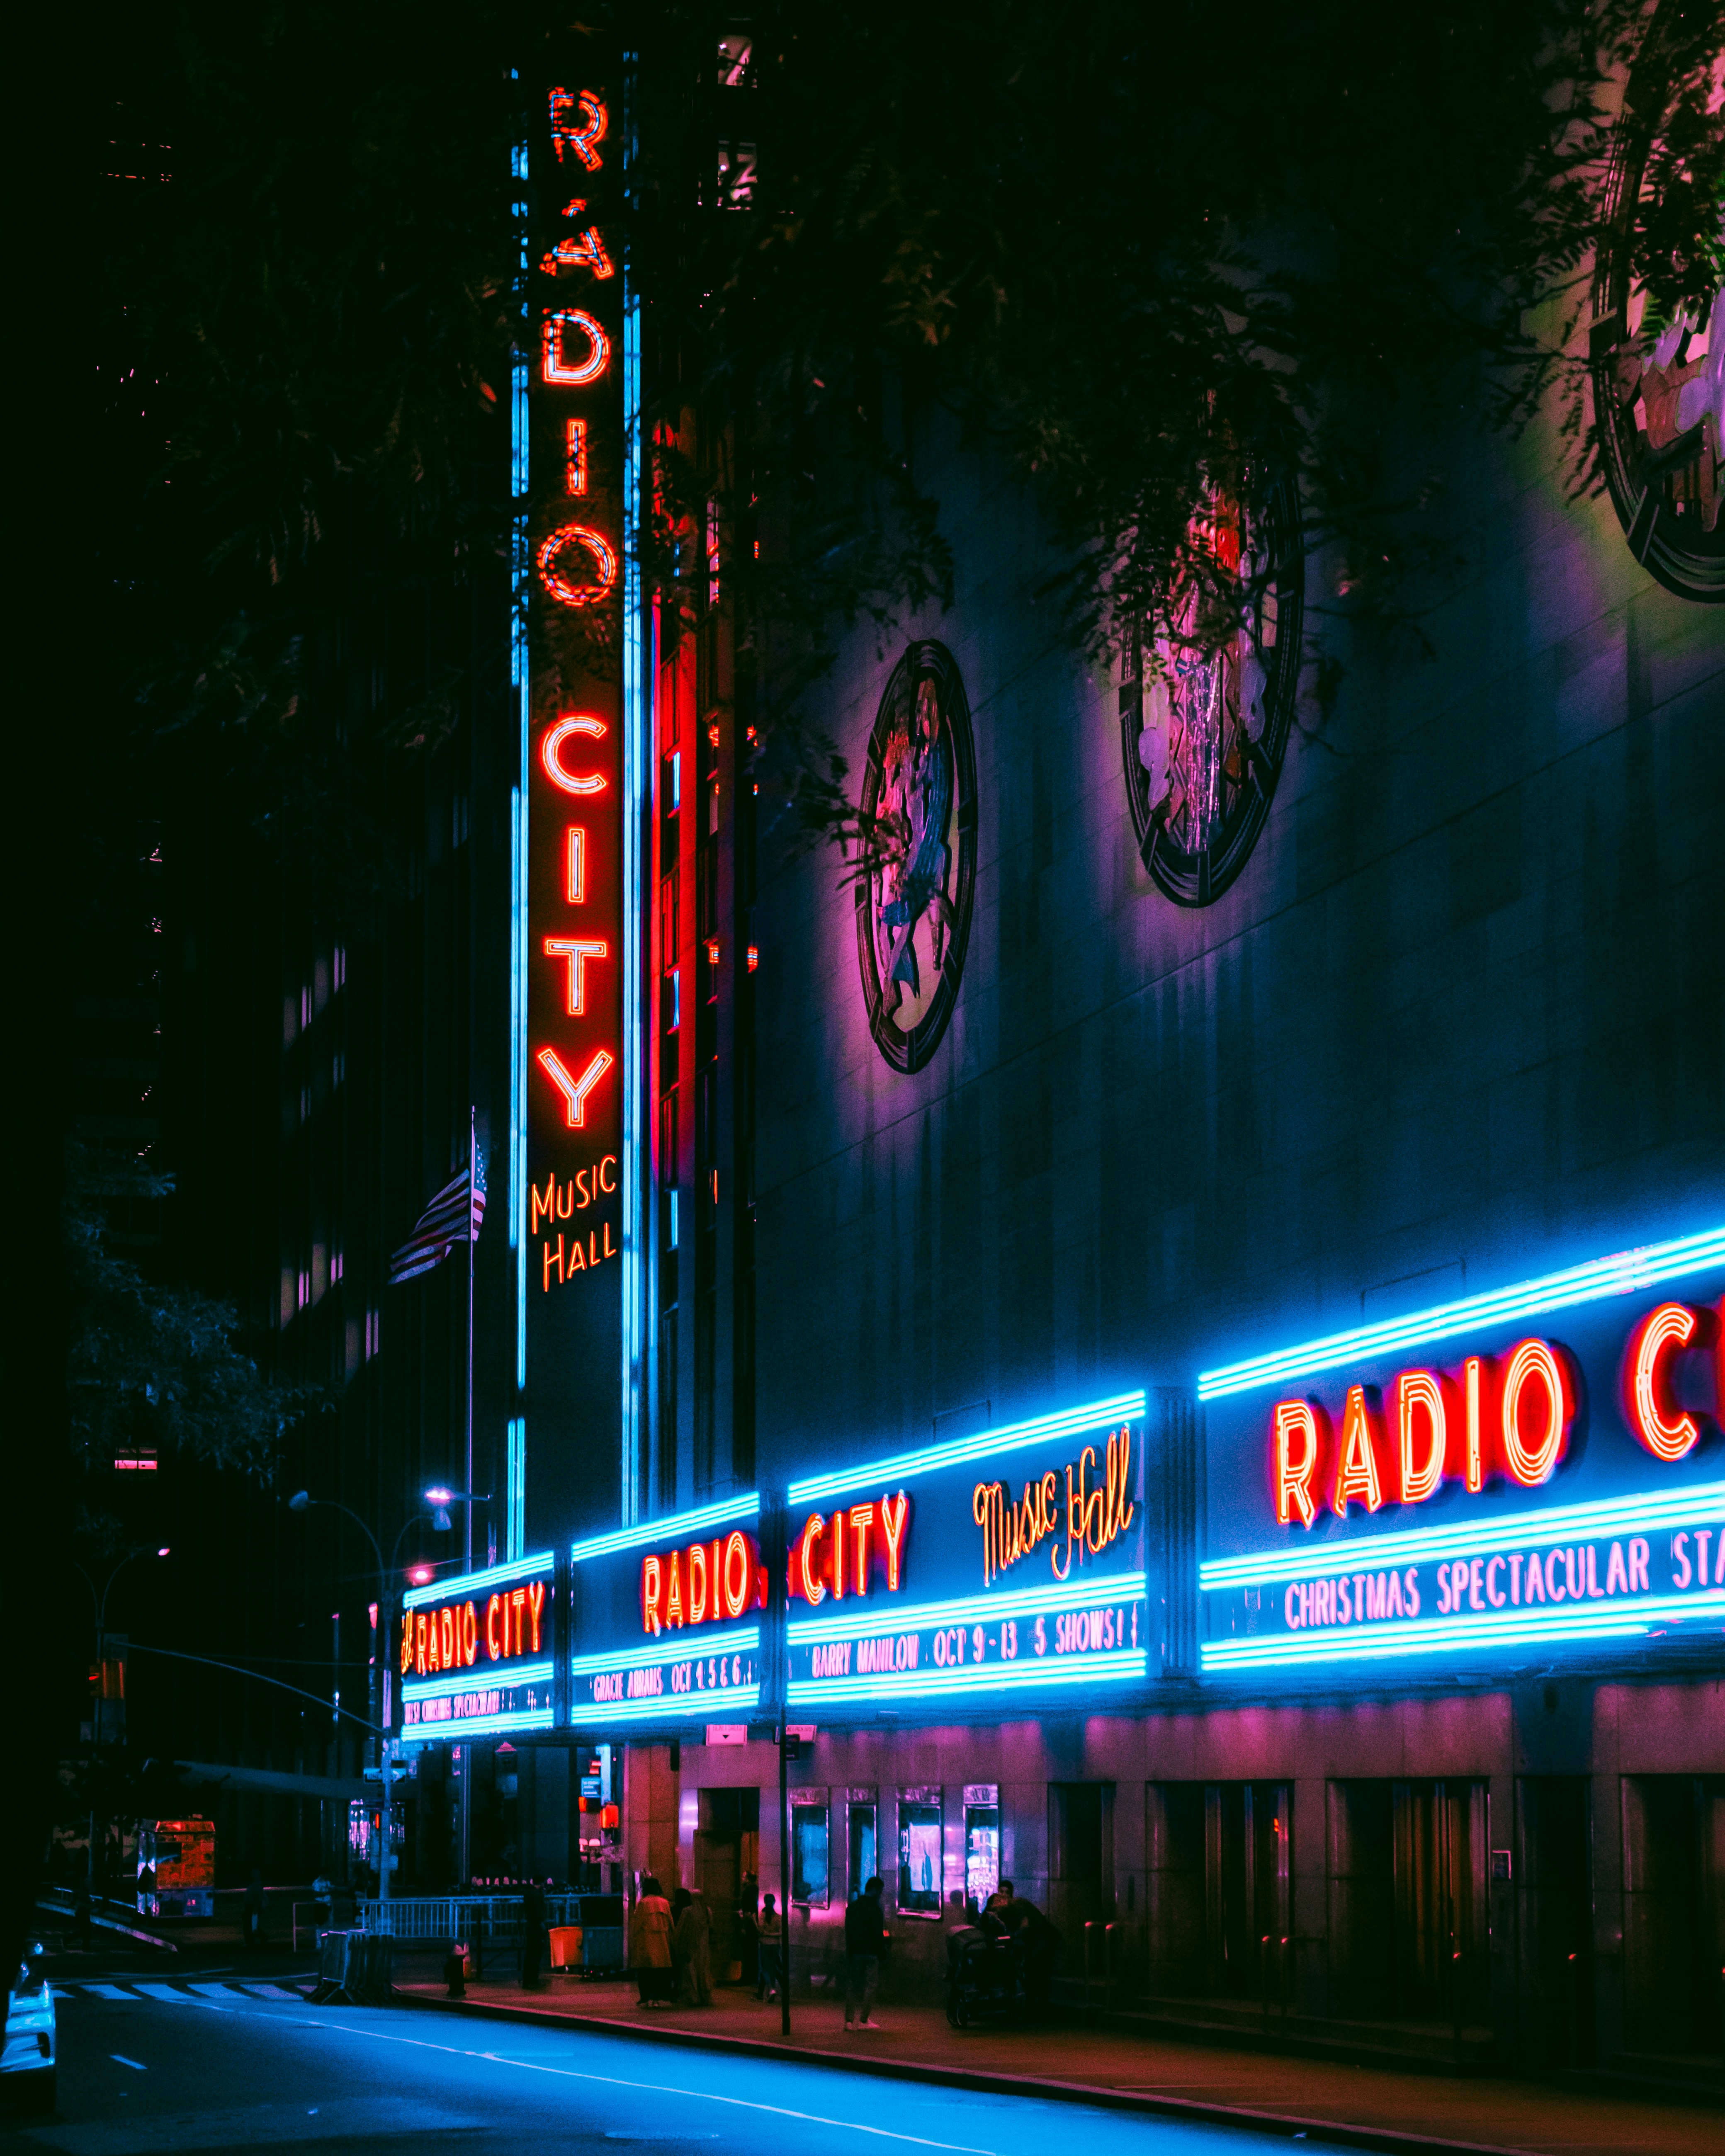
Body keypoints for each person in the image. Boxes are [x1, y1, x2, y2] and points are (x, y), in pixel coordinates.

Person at [843, 1874, 887, 2030]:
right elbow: (878, 1934)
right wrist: (883, 1954)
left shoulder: (853, 1908)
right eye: (880, 1892)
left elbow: (849, 1932)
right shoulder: (876, 1910)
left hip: (856, 1952)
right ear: (875, 1890)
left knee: (853, 1986)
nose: (880, 1895)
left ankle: (849, 2021)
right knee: (871, 1986)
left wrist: (849, 1951)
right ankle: (864, 2020)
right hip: (872, 1952)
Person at [629, 1874, 673, 2006]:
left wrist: (633, 1941)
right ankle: (658, 1997)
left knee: (646, 1971)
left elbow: (637, 1925)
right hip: (662, 1942)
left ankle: (646, 1997)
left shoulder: (643, 1903)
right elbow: (671, 1924)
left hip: (646, 1942)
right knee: (660, 1971)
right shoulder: (665, 1903)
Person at [673, 1886, 713, 2005]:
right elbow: (711, 1928)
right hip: (704, 1947)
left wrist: (677, 1944)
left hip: (690, 1946)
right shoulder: (708, 1911)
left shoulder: (688, 1911)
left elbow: (680, 1930)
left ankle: (692, 1996)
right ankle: (704, 1996)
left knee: (690, 1971)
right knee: (703, 1971)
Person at [756, 1891, 783, 2002]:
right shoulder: (778, 1917)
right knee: (772, 1969)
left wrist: (766, 1933)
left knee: (765, 1969)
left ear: (765, 1902)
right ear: (774, 1902)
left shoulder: (762, 1916)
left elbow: (761, 1930)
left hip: (765, 1944)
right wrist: (773, 1935)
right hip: (775, 1945)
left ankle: (771, 1989)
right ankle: (769, 1993)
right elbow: (781, 1932)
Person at [521, 1876, 547, 1991]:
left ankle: (528, 1980)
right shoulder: (537, 1896)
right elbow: (539, 1913)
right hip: (536, 1926)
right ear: (541, 1883)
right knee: (536, 1953)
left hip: (530, 1925)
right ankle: (533, 1979)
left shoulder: (529, 1893)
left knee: (530, 1954)